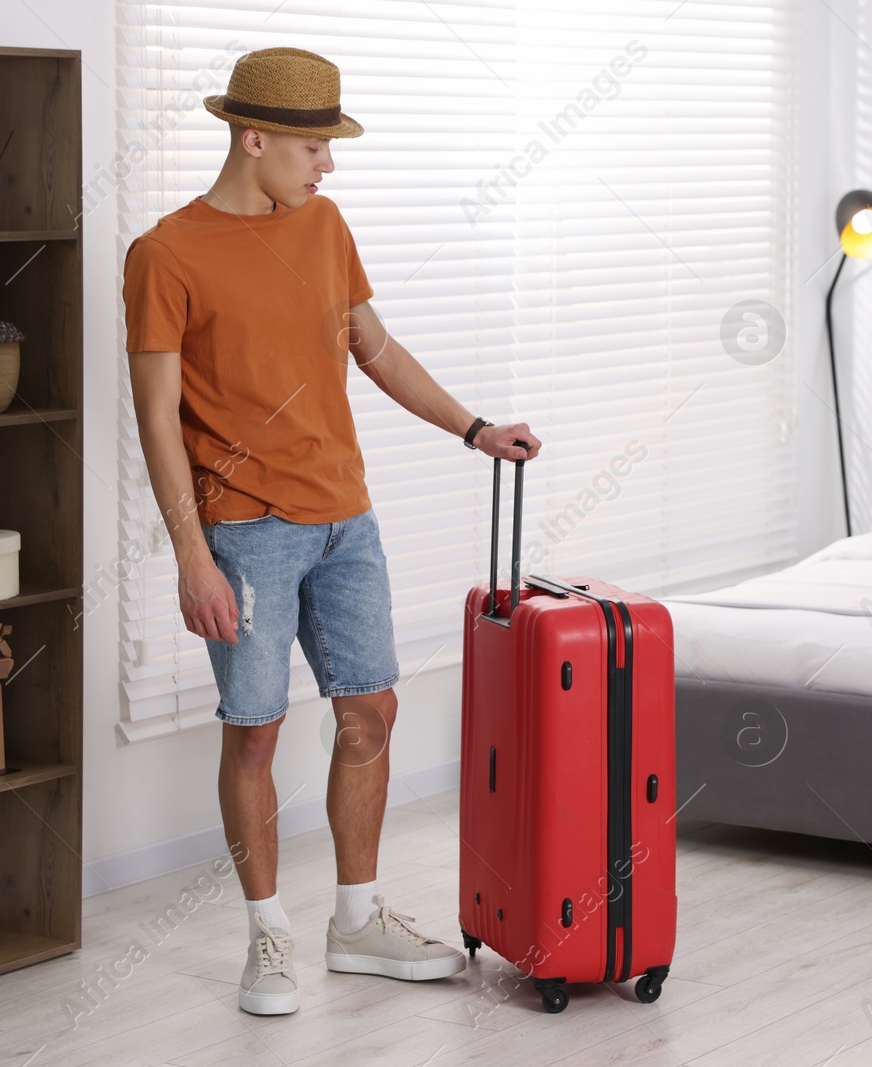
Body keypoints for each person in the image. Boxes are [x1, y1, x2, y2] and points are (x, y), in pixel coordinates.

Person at [122, 46, 541, 1017]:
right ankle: (267, 932)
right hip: (246, 529)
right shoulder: (166, 253)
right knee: (256, 730)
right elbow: (154, 416)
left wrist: (474, 428)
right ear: (251, 135)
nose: (328, 166)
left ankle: (357, 920)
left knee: (371, 711)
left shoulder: (323, 225)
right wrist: (193, 555)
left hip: (344, 514)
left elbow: (375, 345)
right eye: (313, 147)